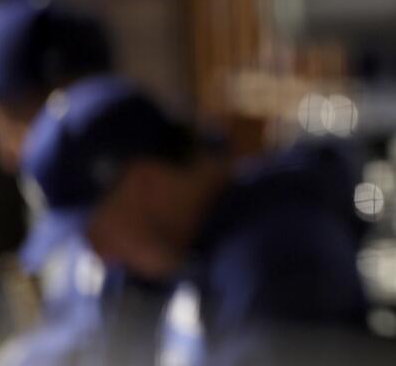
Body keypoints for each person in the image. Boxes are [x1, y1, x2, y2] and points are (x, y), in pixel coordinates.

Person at [19, 74, 370, 365]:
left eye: (95, 230)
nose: (99, 254)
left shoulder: (278, 261)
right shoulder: (196, 248)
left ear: (145, 185)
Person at [0, 0, 164, 366]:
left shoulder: (135, 200)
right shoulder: (59, 201)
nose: (6, 155)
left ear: (70, 98)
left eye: (13, 119)